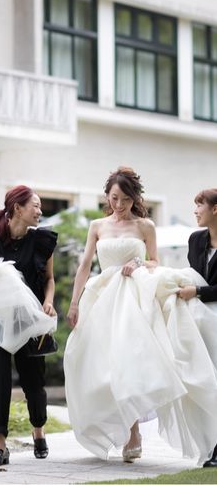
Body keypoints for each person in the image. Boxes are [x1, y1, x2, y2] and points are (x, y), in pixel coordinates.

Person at [65, 167, 217, 465]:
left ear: (134, 199)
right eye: (114, 198)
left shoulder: (146, 225)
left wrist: (138, 263)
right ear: (107, 197)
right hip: (101, 298)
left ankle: (133, 432)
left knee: (129, 362)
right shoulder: (97, 225)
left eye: (125, 199)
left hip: (133, 298)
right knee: (98, 364)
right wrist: (74, 303)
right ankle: (121, 427)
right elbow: (84, 266)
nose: (119, 205)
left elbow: (155, 261)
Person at [0, 185, 57, 466]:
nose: (40, 210)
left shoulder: (42, 241)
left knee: (34, 382)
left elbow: (49, 279)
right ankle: (0, 445)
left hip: (30, 322)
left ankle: (38, 429)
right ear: (18, 208)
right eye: (36, 205)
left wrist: (48, 302)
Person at [178, 188, 217, 468]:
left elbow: (200, 286)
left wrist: (199, 292)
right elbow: (192, 275)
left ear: (215, 209)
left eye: (199, 205)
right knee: (204, 380)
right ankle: (209, 443)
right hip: (198, 321)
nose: (195, 211)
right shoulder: (195, 240)